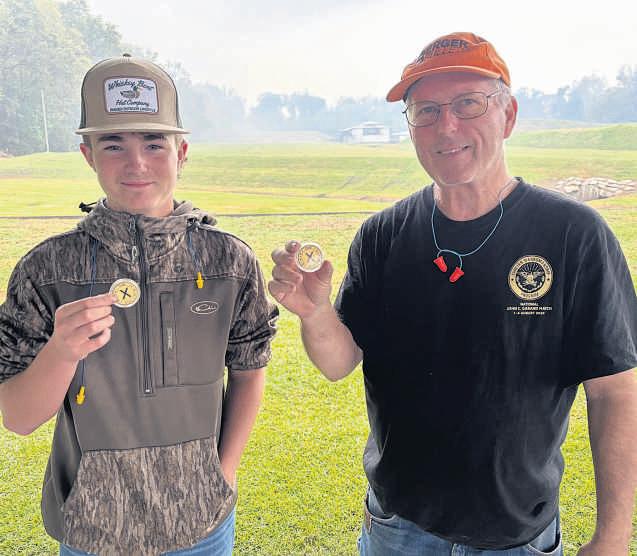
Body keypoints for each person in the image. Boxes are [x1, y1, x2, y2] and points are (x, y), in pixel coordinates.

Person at [269, 32, 637, 555]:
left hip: (515, 534)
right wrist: (315, 312)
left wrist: (613, 536)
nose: (447, 126)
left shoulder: (573, 235)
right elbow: (338, 363)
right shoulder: (383, 235)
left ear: (508, 116)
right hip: (397, 524)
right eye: (426, 111)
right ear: (411, 127)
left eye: (468, 104)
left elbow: (615, 391)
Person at [0, 54, 277, 555]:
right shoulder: (47, 271)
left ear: (181, 152)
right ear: (87, 154)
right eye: (113, 144)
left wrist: (225, 473)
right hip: (92, 529)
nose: (137, 164)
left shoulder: (229, 262)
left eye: (154, 143)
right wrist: (61, 352)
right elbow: (18, 418)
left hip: (204, 526)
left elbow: (249, 370)